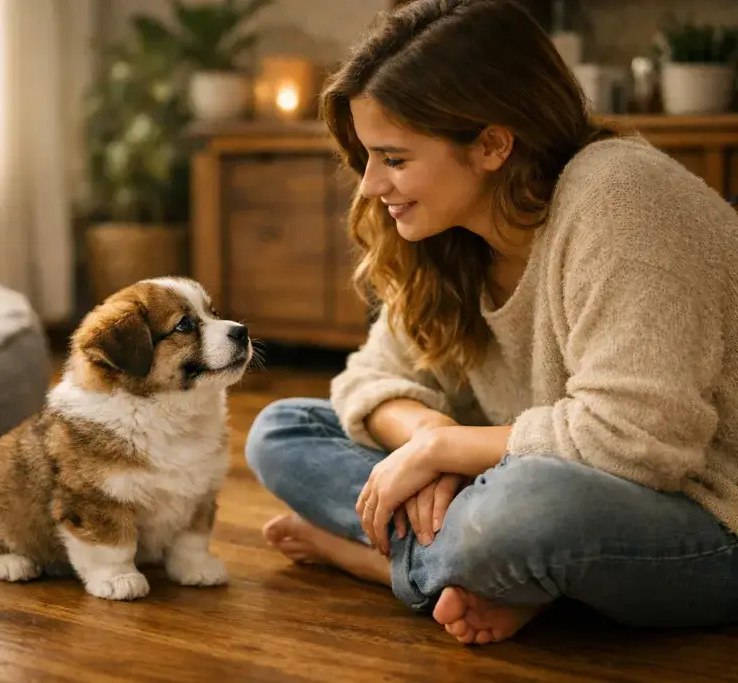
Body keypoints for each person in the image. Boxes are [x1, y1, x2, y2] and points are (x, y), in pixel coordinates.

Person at [244, 0, 738, 646]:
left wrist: (444, 454)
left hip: (708, 515)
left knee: (519, 511)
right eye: (367, 157)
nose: (369, 185)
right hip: (542, 481)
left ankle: (380, 562)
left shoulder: (622, 196)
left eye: (394, 158)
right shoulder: (454, 236)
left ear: (492, 145)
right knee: (282, 428)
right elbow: (370, 377)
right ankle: (500, 575)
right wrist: (434, 438)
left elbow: (639, 438)